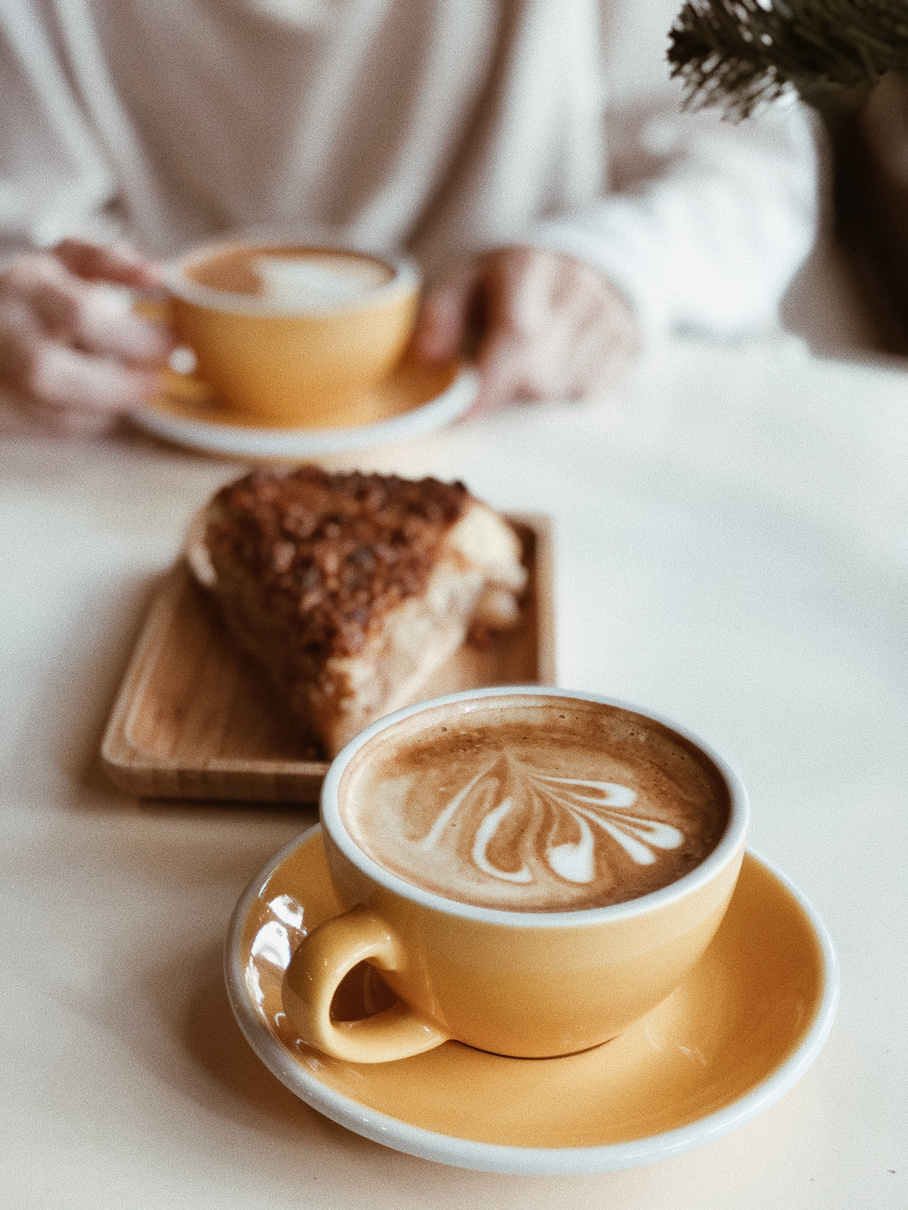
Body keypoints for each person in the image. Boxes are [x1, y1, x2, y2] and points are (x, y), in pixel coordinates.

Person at [0, 0, 819, 436]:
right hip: (149, 462)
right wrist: (25, 305)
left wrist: (615, 264)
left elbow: (758, 170)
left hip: (539, 424)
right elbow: (25, 229)